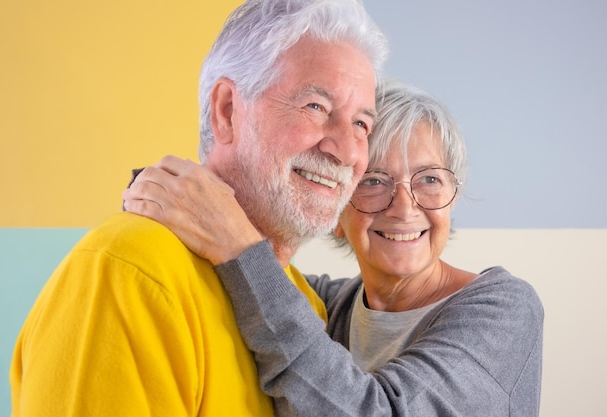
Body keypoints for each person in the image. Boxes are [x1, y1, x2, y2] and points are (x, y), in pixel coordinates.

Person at [9, 1, 388, 415]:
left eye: (361, 125)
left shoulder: (301, 303)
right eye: (315, 107)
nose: (347, 150)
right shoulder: (128, 272)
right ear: (227, 110)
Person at [124, 78, 544, 416]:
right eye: (373, 181)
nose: (404, 207)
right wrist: (171, 196)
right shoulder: (325, 305)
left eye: (430, 179)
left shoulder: (504, 308)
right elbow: (243, 279)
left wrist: (237, 244)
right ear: (335, 215)